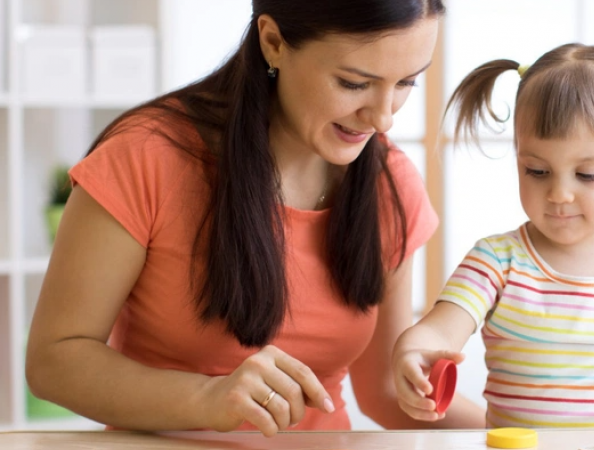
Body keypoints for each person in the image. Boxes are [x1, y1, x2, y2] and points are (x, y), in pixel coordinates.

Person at [25, 0, 486, 437]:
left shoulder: (389, 182)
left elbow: (384, 391)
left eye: (407, 83)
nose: (383, 119)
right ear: (273, 42)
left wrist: (517, 433)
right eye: (353, 83)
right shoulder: (145, 157)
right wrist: (207, 397)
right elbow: (54, 361)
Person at [392, 43, 594, 441]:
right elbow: (439, 333)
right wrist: (413, 352)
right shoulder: (495, 261)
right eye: (537, 170)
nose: (560, 194)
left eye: (587, 175)